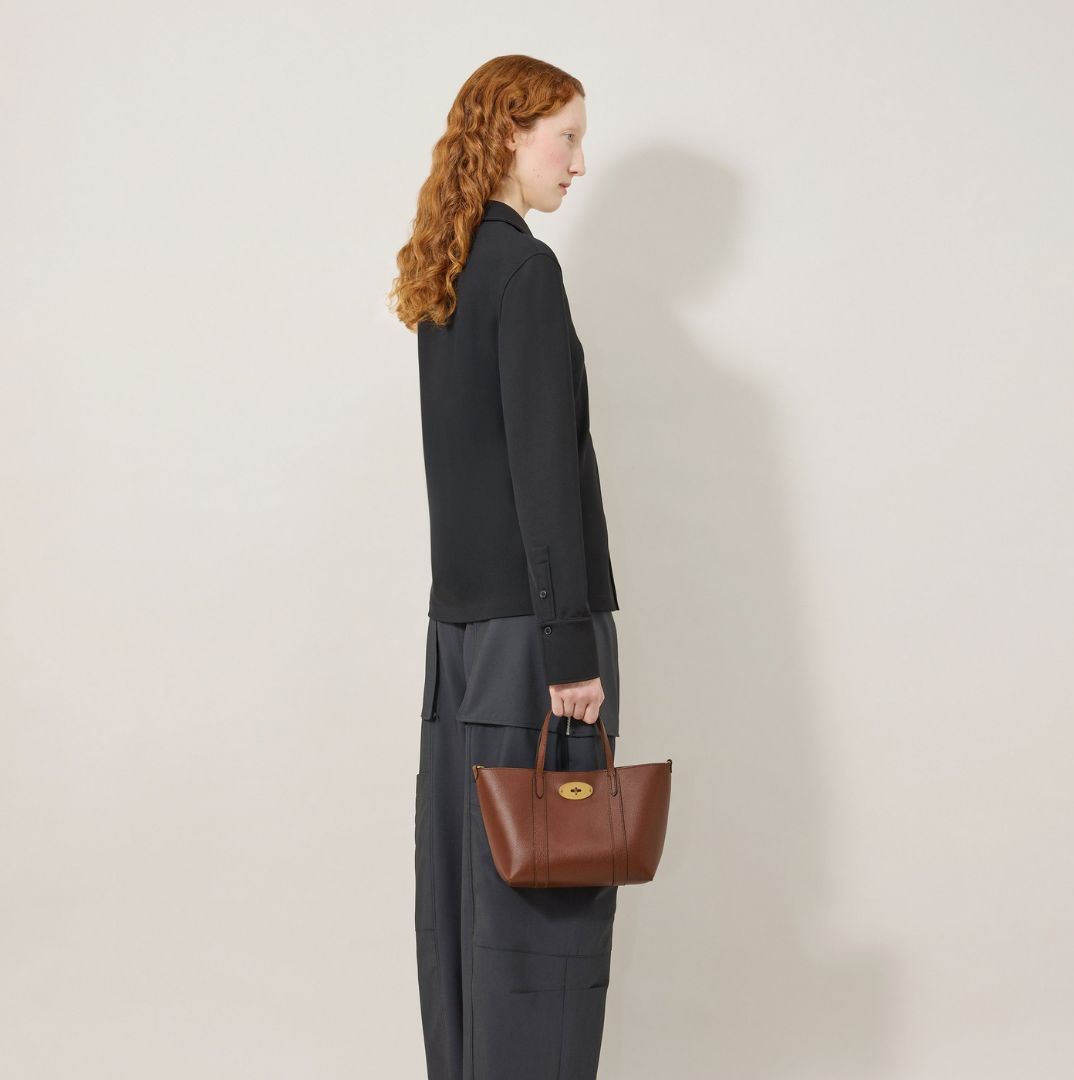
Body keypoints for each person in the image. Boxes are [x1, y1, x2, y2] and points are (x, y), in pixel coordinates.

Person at [388, 54, 622, 1080]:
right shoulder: (525, 272)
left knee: (465, 906)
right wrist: (570, 647)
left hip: (460, 645)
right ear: (508, 135)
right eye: (565, 137)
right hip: (534, 639)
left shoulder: (447, 271)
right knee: (541, 918)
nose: (578, 162)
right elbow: (540, 474)